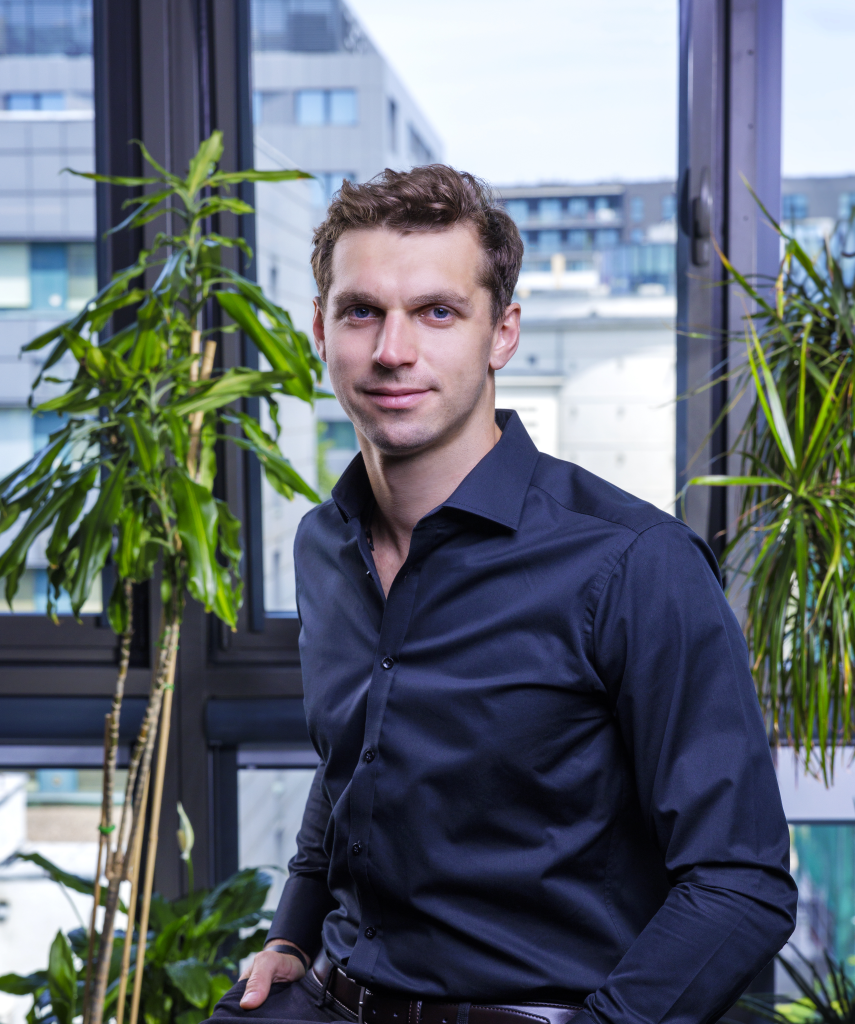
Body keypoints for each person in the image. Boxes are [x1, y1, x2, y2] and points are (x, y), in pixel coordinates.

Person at [211, 165, 796, 1024]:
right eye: (361, 311)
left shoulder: (632, 563)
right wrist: (291, 936)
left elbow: (741, 881)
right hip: (325, 999)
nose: (392, 350)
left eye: (437, 312)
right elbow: (351, 769)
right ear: (320, 331)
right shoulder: (321, 545)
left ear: (502, 334)